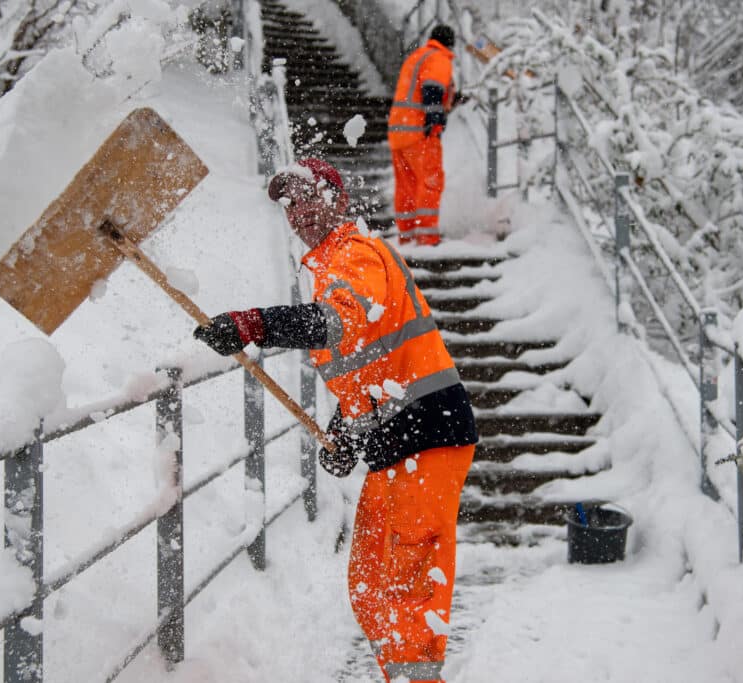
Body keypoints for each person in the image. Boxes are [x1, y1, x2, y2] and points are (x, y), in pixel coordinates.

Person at [193, 157, 477, 683]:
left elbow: (338, 324)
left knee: (408, 584)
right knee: (370, 584)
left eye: (305, 197)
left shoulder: (356, 254)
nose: (296, 212)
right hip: (395, 443)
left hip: (429, 433)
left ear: (337, 202)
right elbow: (367, 371)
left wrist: (256, 324)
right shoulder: (327, 269)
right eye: (288, 204)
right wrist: (347, 433)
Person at [388, 24, 457, 247]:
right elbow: (432, 89)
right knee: (430, 181)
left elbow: (418, 90)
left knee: (406, 186)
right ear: (450, 44)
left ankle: (407, 236)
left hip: (399, 131)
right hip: (420, 132)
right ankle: (427, 236)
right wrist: (435, 120)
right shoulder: (439, 58)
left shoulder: (416, 56)